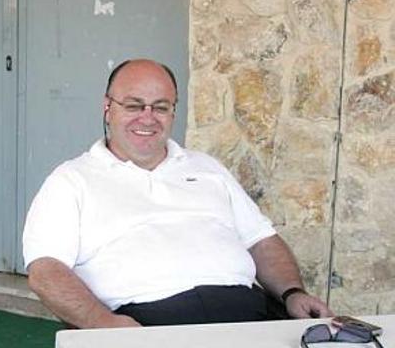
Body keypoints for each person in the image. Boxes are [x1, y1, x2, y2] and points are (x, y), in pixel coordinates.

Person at [22, 59, 334, 328]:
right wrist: (106, 324)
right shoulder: (72, 180)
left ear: (173, 112)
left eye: (161, 107)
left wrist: (293, 293)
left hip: (246, 318)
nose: (147, 117)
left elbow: (261, 239)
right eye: (133, 105)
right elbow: (45, 270)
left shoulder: (207, 168)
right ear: (108, 109)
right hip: (145, 325)